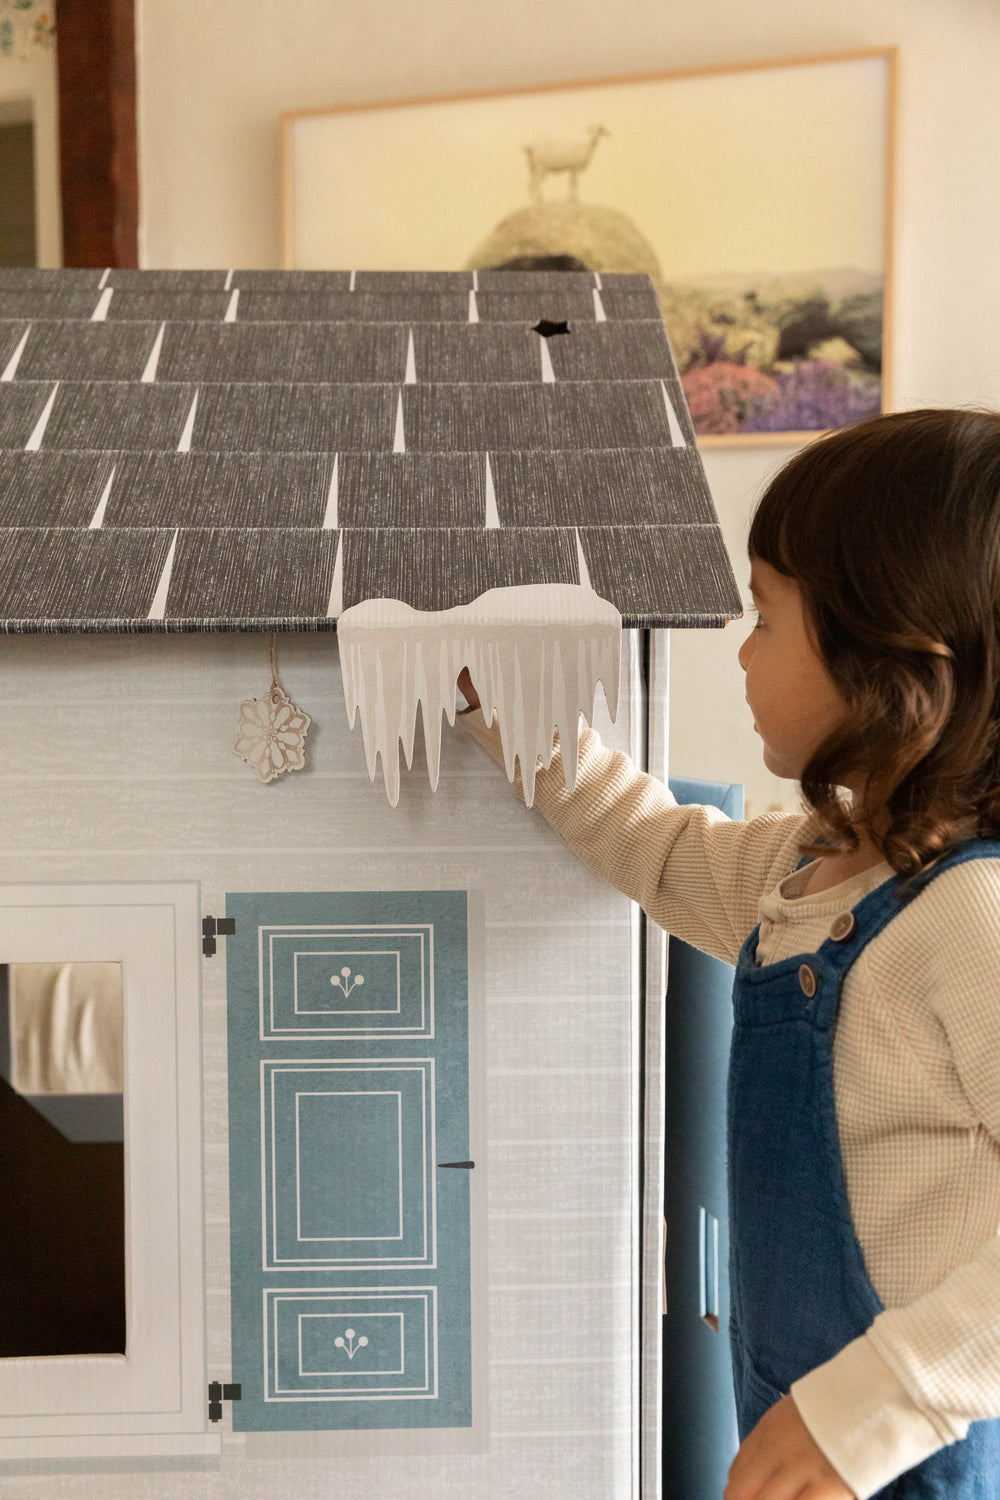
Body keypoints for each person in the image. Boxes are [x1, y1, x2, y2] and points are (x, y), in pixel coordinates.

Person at [455, 408, 1000, 1499]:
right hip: (796, 1409)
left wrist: (877, 1405)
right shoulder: (814, 863)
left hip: (913, 1445)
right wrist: (513, 715)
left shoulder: (968, 917)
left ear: (885, 653)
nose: (740, 651)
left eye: (763, 617)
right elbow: (656, 847)